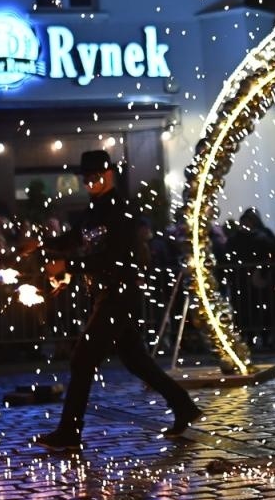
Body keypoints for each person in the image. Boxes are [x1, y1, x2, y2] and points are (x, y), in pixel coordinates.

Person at [31, 149, 201, 450]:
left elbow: (113, 258)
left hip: (119, 295)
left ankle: (70, 432)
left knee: (82, 359)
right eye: (86, 178)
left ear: (109, 174)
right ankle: (183, 405)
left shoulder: (121, 211)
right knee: (137, 361)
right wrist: (44, 246)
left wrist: (69, 266)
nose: (90, 183)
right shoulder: (93, 210)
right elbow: (78, 238)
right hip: (105, 294)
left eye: (95, 177)